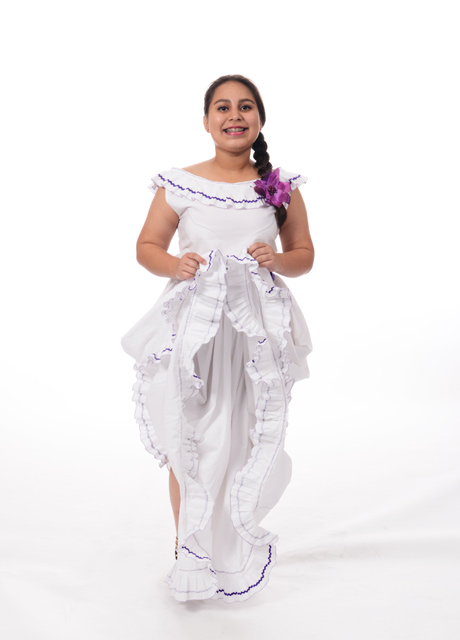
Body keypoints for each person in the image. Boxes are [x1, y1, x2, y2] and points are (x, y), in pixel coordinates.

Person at [121, 74, 314, 603]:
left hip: (254, 336)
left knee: (241, 434)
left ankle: (229, 547)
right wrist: (174, 264)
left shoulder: (279, 186)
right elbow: (147, 245)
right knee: (190, 434)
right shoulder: (181, 183)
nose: (235, 115)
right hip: (194, 330)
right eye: (223, 107)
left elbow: (304, 255)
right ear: (206, 121)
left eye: (245, 106)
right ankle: (189, 548)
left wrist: (278, 259)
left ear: (260, 118)